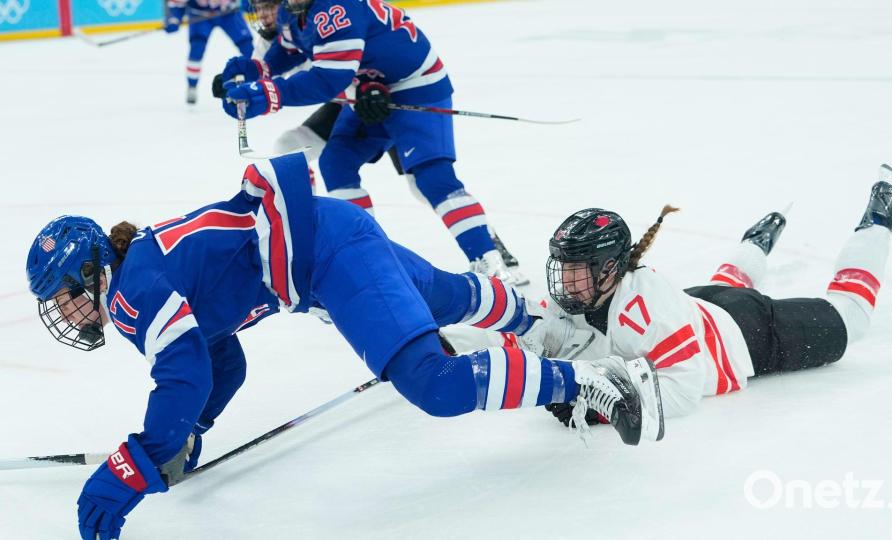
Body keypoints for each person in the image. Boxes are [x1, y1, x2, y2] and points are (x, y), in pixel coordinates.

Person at [25, 154, 662, 540]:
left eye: (61, 296)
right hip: (334, 237)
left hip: (329, 258)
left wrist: (139, 461)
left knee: (435, 384)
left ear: (89, 272)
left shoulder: (132, 292)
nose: (64, 313)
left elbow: (185, 374)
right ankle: (537, 316)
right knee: (444, 295)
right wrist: (189, 433)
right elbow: (223, 359)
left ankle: (588, 379)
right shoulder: (137, 269)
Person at [443, 165, 892, 434]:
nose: (566, 284)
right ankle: (757, 240)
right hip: (704, 307)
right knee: (723, 286)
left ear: (611, 268)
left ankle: (879, 216)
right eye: (564, 270)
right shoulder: (588, 297)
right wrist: (444, 340)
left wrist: (600, 406)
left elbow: (684, 387)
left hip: (748, 334)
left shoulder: (646, 310)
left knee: (850, 321)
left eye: (578, 272)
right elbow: (530, 332)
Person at [215, 0, 527, 284]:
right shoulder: (291, 11)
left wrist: (266, 95)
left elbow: (326, 79)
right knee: (336, 162)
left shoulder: (335, 9)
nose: (269, 10)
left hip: (414, 85)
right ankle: (367, 255)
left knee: (431, 180)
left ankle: (491, 261)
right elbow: (290, 51)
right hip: (363, 91)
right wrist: (258, 70)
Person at [164, 0, 254, 105]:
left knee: (247, 48)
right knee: (196, 49)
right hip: (200, 15)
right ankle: (192, 86)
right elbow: (176, 5)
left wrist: (248, 3)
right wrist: (173, 18)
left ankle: (262, 80)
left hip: (228, 12)